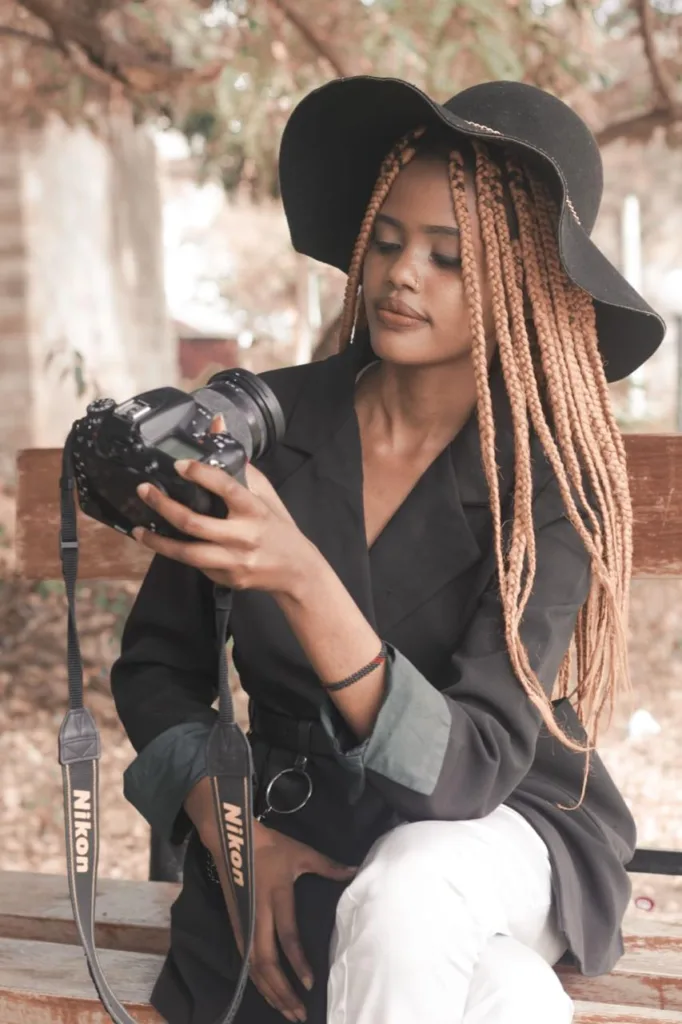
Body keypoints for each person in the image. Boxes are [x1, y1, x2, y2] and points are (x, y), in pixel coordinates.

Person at [110, 76, 665, 1024]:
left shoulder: (550, 485)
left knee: (407, 893)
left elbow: (469, 772)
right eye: (388, 241)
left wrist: (300, 576)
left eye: (448, 257)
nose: (404, 274)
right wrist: (234, 832)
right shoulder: (264, 424)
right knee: (505, 999)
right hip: (295, 830)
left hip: (500, 827)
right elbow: (158, 667)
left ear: (523, 288)